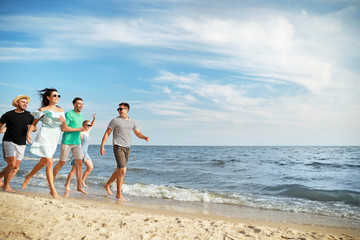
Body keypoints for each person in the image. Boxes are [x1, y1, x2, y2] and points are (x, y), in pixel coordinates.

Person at [22, 88, 83, 199]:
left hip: (54, 137)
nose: (57, 97)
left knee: (43, 162)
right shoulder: (42, 109)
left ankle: (28, 177)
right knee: (49, 162)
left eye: (58, 96)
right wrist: (28, 134)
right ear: (48, 97)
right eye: (54, 95)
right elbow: (33, 123)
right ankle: (52, 190)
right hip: (44, 135)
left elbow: (64, 128)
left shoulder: (61, 111)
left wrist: (64, 122)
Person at [100, 102, 149, 200]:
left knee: (119, 170)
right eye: (118, 109)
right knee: (123, 170)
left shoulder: (133, 121)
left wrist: (144, 137)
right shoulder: (115, 120)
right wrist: (102, 146)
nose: (119, 111)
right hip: (118, 146)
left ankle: (107, 185)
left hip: (127, 147)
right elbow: (107, 133)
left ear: (127, 110)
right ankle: (118, 194)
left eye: (121, 109)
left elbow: (137, 133)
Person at [0, 95, 36, 192]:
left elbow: (34, 127)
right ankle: (6, 185)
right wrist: (1, 130)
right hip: (9, 141)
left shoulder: (30, 115)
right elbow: (0, 126)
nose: (25, 104)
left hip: (22, 143)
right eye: (23, 102)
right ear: (17, 103)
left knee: (16, 167)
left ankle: (0, 178)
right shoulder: (8, 115)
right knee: (12, 164)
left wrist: (31, 129)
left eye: (26, 102)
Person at [53, 97, 87, 194]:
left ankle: (79, 187)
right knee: (62, 162)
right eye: (79, 103)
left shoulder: (81, 116)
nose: (81, 105)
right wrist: (78, 130)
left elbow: (78, 127)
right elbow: (64, 128)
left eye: (82, 104)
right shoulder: (68, 114)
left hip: (77, 143)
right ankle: (51, 180)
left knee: (79, 164)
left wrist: (80, 132)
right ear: (74, 104)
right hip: (67, 142)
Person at [64, 115, 96, 191]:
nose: (89, 126)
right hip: (79, 153)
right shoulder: (81, 133)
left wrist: (93, 119)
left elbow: (92, 125)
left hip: (85, 153)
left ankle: (82, 180)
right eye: (87, 125)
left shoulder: (87, 131)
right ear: (83, 125)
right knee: (74, 170)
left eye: (89, 125)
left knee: (90, 167)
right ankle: (67, 184)